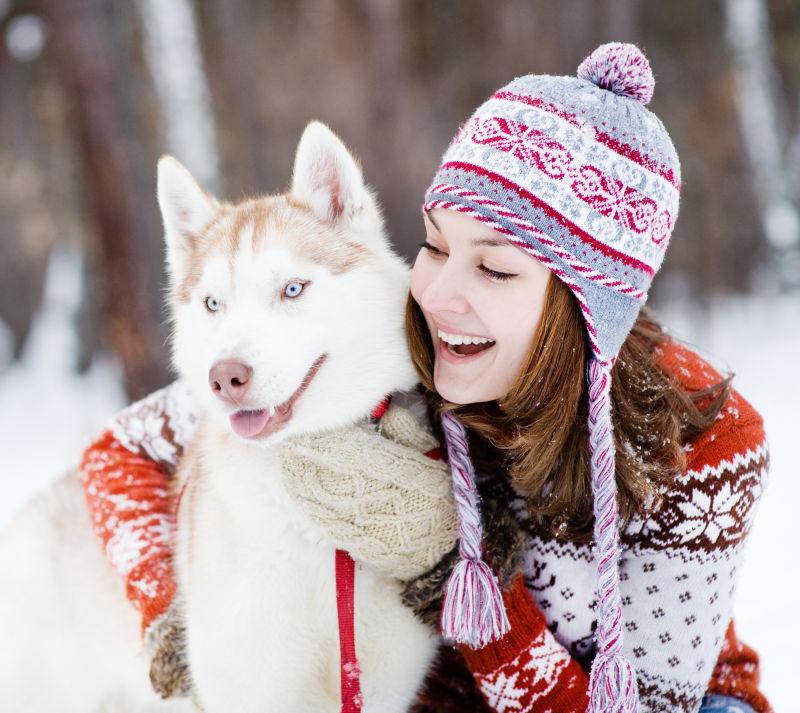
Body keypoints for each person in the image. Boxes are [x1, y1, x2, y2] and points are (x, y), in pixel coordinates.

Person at [79, 43, 771, 712]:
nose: (437, 294)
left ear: (584, 304)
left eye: (494, 268)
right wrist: (173, 608)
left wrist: (452, 563)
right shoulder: (397, 344)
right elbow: (120, 450)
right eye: (436, 245)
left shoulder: (707, 439)